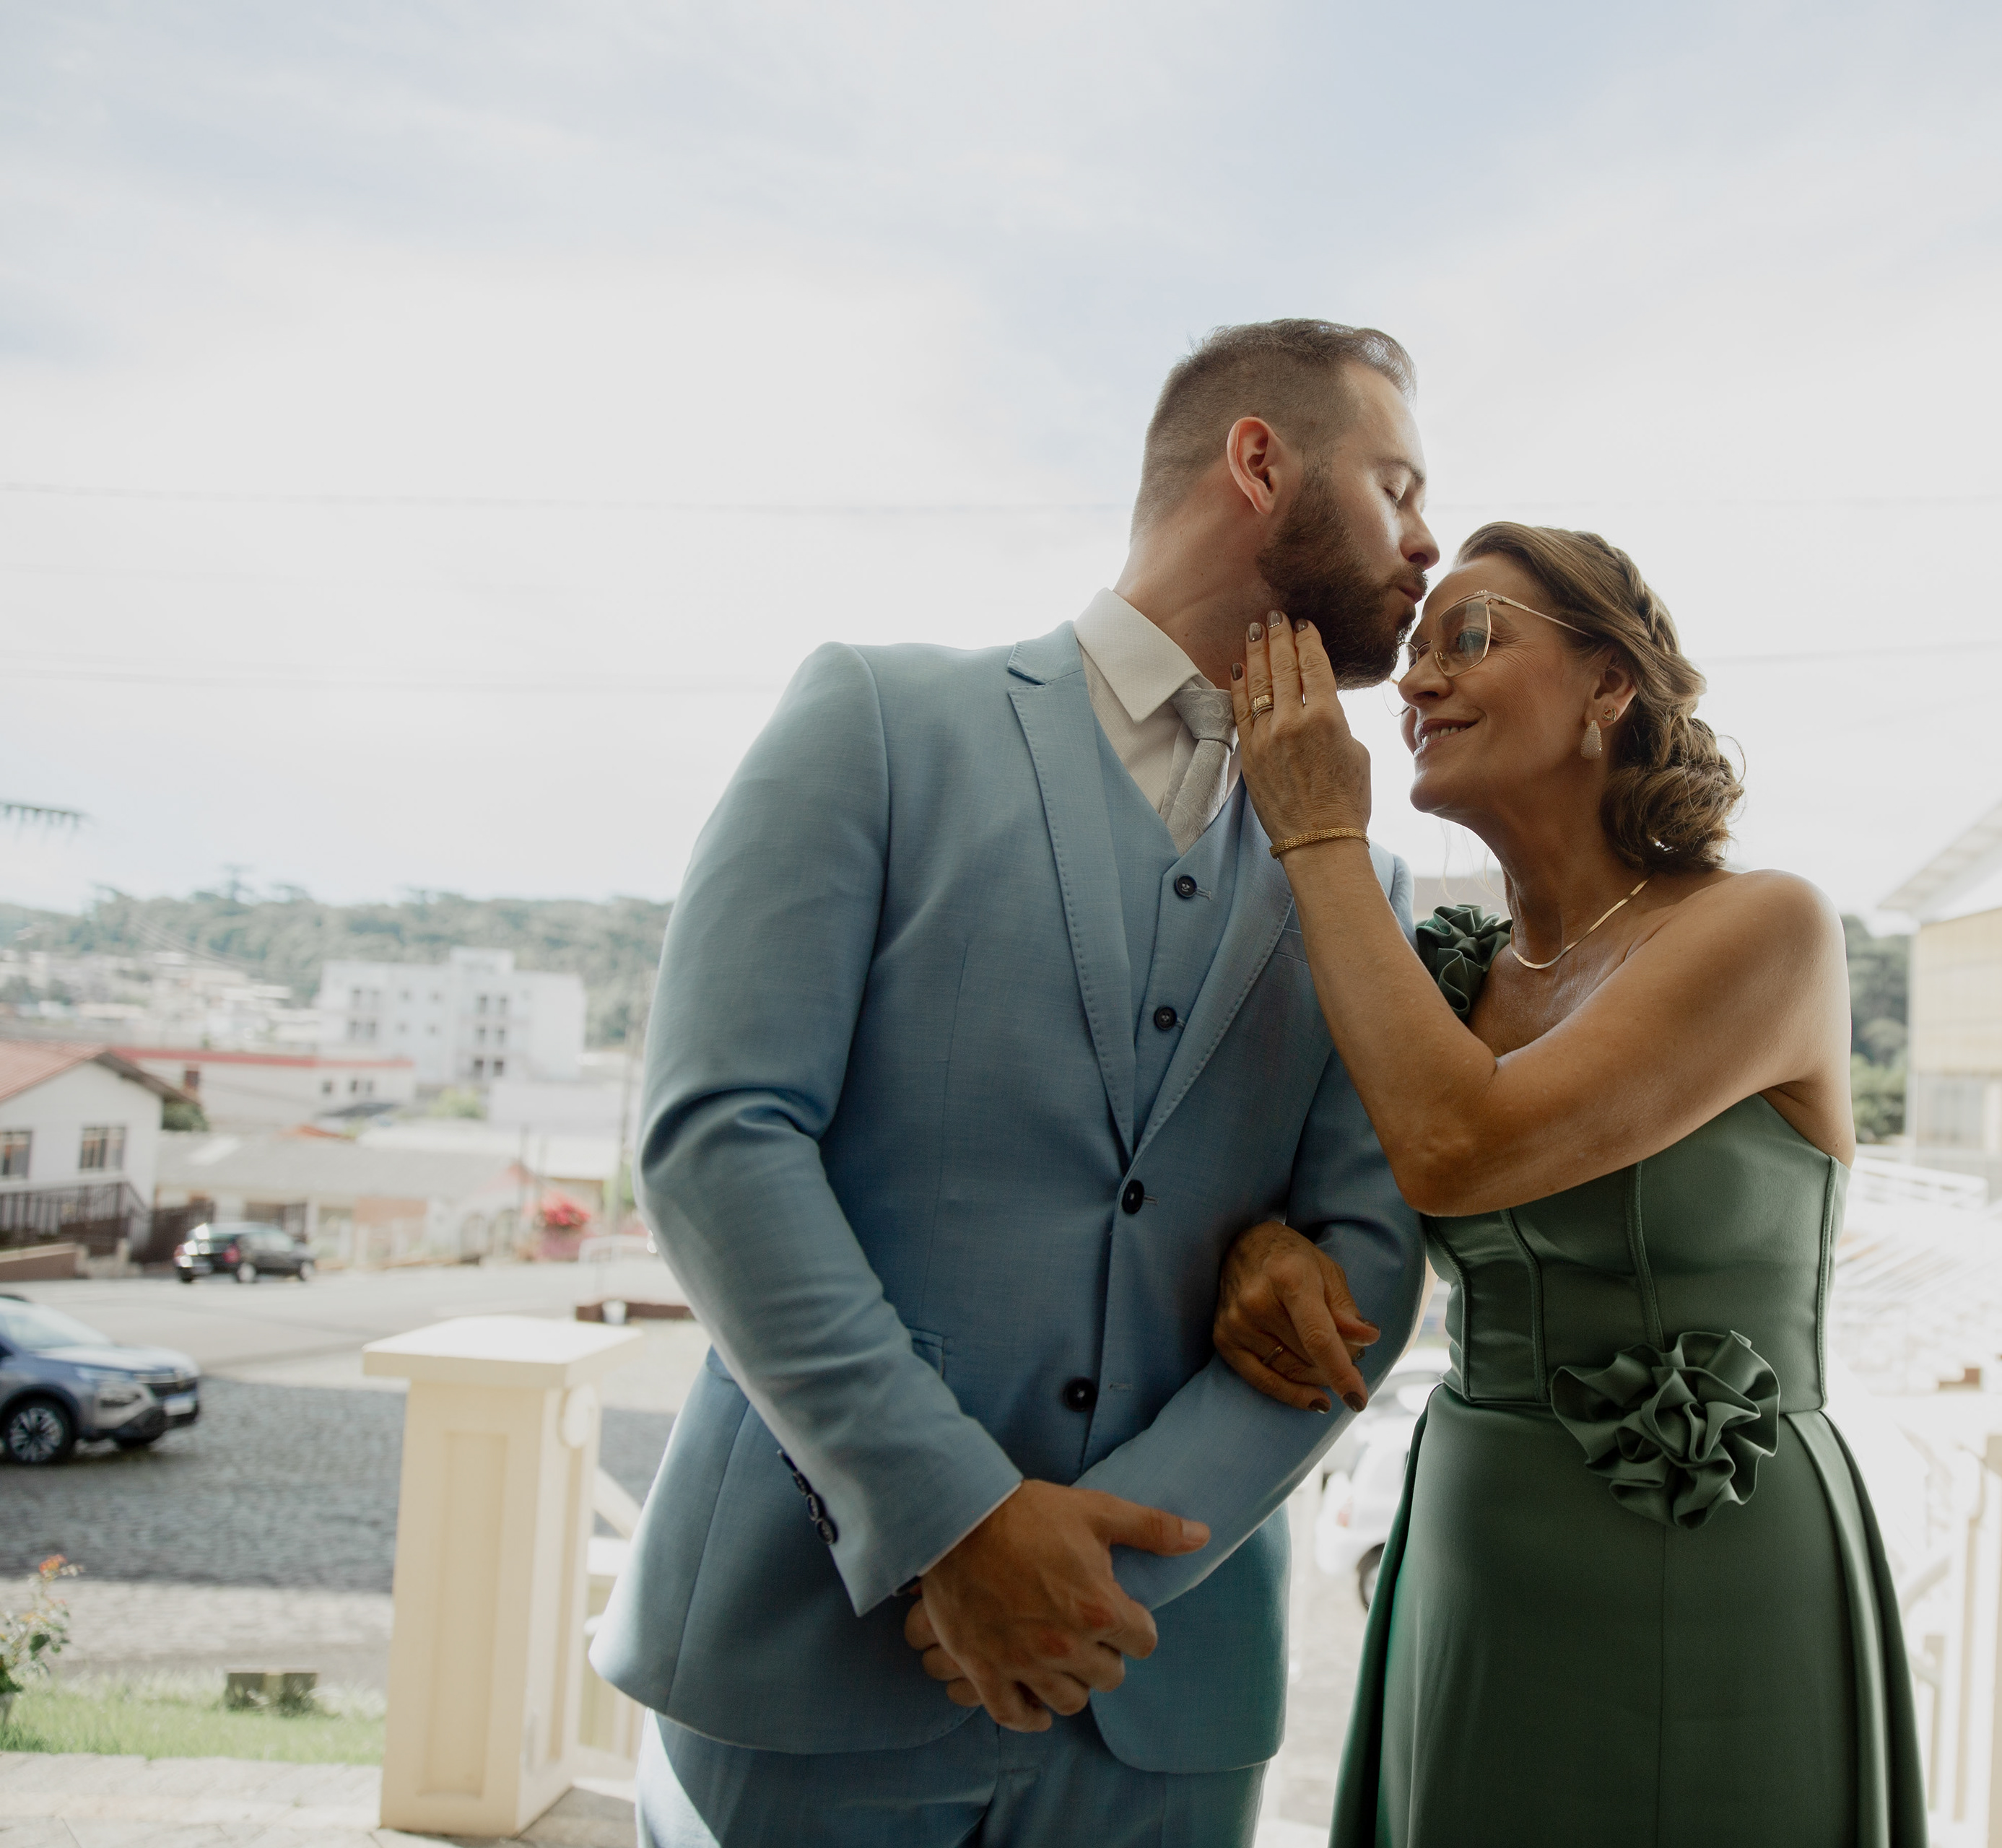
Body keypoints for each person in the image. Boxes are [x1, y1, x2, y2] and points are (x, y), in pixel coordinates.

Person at [592, 318, 1440, 1848]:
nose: (1428, 542)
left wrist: (1103, 1580)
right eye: (1397, 486)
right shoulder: (877, 719)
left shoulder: (1360, 882)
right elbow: (719, 1136)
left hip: (1164, 1701)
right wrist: (953, 1518)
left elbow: (1369, 1257)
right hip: (803, 1655)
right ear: (1258, 461)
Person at [1211, 524, 1931, 1845]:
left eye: (1472, 637)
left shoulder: (1765, 929)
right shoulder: (1447, 978)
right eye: (1414, 652)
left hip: (1712, 1562)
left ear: (1610, 683)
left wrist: (1316, 830)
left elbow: (1460, 1148)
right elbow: (1343, 1185)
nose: (1417, 679)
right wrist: (1267, 1245)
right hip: (1473, 1554)